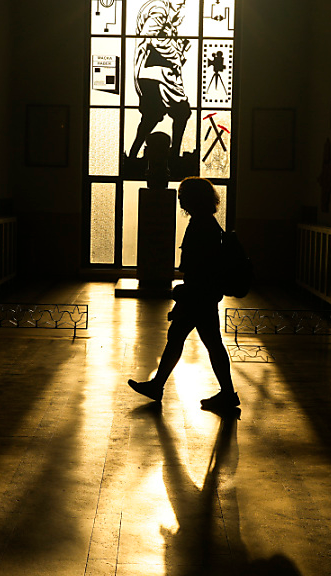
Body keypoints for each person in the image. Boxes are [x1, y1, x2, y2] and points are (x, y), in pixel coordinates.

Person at [128, 176, 239, 411]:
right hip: (202, 295)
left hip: (198, 296)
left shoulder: (201, 226)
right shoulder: (207, 223)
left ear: (193, 199)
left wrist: (185, 291)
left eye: (183, 196)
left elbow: (200, 266)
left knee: (188, 340)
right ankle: (160, 385)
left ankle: (161, 386)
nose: (180, 200)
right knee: (192, 341)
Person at [127, 0, 192, 161]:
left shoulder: (165, 12)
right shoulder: (158, 10)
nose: (183, 4)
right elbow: (153, 37)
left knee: (157, 114)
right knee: (173, 112)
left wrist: (178, 50)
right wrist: (175, 53)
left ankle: (133, 155)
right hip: (155, 73)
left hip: (158, 73)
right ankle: (172, 155)